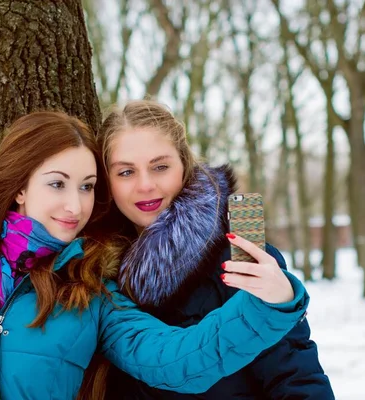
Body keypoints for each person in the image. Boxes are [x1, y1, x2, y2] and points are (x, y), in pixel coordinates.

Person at [0, 111, 310, 400]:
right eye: (58, 184)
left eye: (88, 186)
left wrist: (268, 306)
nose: (75, 205)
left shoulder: (90, 287)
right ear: (20, 187)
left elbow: (174, 360)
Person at [89, 100, 335, 399]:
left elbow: (296, 379)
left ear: (184, 167)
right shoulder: (91, 272)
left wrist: (277, 299)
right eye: (126, 172)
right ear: (106, 181)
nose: (145, 185)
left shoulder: (239, 260)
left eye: (160, 167)